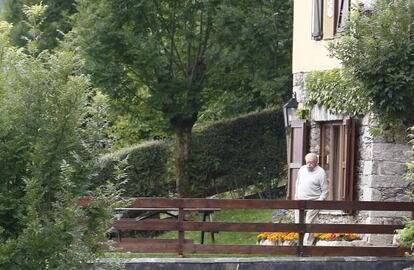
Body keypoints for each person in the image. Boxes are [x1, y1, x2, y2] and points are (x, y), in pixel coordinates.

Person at [295, 152, 328, 245]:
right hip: (300, 200)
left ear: (316, 162)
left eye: (311, 162)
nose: (309, 164)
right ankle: (299, 243)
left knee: (309, 222)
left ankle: (307, 244)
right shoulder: (302, 169)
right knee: (298, 222)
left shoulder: (321, 172)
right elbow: (297, 182)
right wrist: (296, 195)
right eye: (307, 162)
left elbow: (325, 190)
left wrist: (320, 201)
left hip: (314, 201)